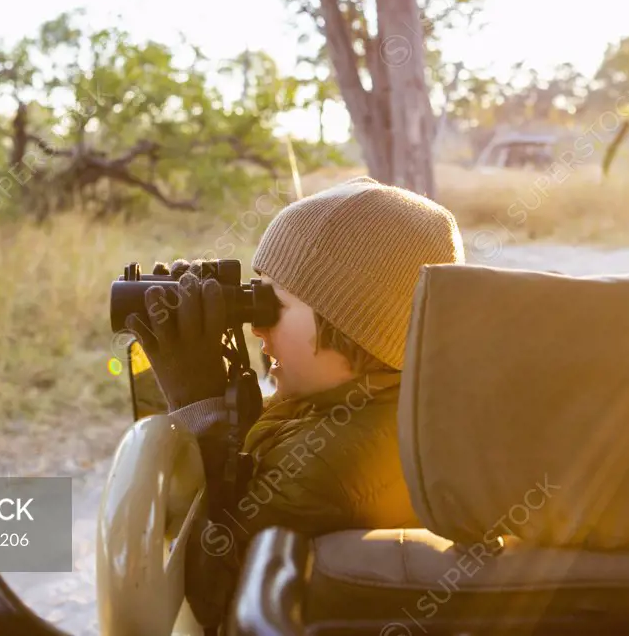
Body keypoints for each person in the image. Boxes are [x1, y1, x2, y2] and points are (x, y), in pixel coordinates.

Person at [124, 176, 465, 625]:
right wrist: (233, 424)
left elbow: (212, 596)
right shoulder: (377, 408)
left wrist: (198, 406)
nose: (256, 326)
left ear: (355, 322)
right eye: (254, 292)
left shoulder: (332, 461)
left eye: (272, 303)